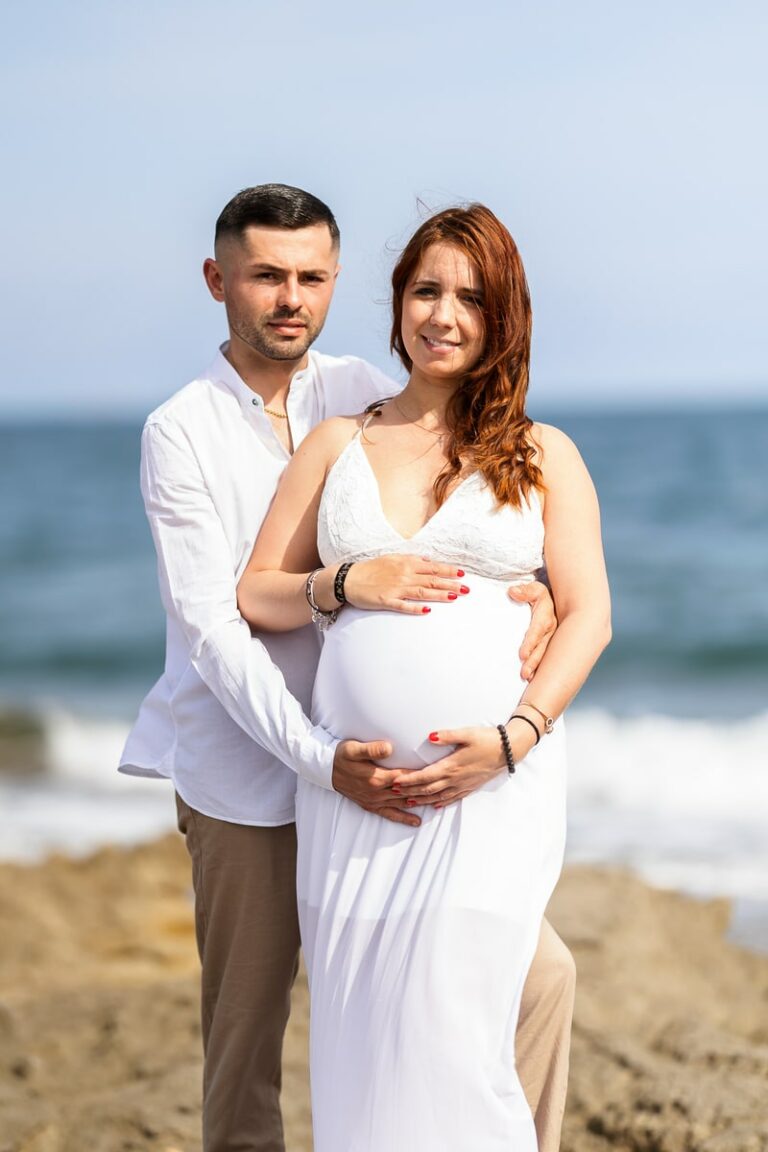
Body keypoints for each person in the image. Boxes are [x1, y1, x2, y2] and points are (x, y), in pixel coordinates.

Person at [119, 184, 574, 1152]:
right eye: (267, 277)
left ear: (337, 284)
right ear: (219, 281)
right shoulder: (181, 431)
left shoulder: (362, 385)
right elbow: (218, 629)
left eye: (312, 277)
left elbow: (463, 502)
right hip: (251, 775)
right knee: (249, 1045)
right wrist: (322, 753)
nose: (291, 298)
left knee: (539, 979)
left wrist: (532, 598)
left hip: (403, 783)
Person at [238, 202, 611, 1151]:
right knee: (365, 1058)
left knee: (456, 1047)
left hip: (487, 795)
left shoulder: (542, 455)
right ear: (399, 302)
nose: (444, 315)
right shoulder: (336, 445)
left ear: (503, 317)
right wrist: (345, 580)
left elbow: (590, 616)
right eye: (426, 290)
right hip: (356, 809)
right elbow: (258, 595)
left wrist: (512, 739)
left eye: (470, 298)